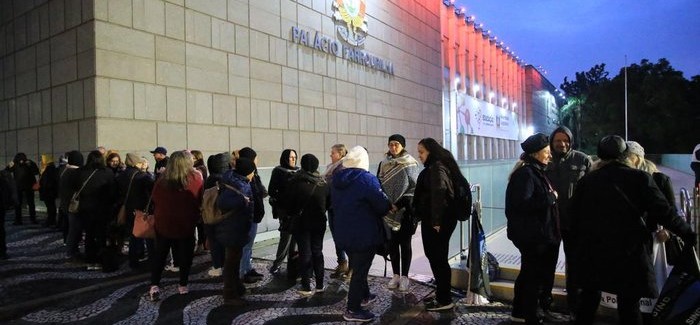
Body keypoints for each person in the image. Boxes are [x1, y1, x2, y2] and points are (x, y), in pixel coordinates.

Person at [570, 135, 697, 325]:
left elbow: (574, 216)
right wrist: (689, 233)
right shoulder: (639, 178)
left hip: (594, 250)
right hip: (628, 251)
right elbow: (664, 212)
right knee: (629, 304)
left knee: (588, 299)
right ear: (624, 155)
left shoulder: (587, 181)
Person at [331, 146, 392, 322]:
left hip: (343, 233)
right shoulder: (367, 179)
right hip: (364, 234)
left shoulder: (337, 179)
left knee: (358, 266)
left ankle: (364, 295)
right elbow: (381, 206)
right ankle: (352, 309)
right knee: (360, 271)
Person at [505, 133, 560, 324]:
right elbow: (522, 204)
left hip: (537, 236)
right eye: (546, 152)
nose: (549, 156)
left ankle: (520, 312)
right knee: (533, 277)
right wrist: (551, 198)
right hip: (534, 237)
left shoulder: (532, 171)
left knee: (529, 274)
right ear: (536, 154)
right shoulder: (526, 174)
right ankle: (530, 314)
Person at [545, 126, 591, 320]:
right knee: (546, 265)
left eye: (565, 140)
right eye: (558, 141)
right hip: (550, 224)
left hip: (575, 224)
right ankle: (545, 304)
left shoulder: (583, 160)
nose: (562, 144)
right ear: (552, 141)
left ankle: (574, 306)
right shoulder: (544, 159)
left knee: (575, 266)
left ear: (571, 141)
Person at [413, 138, 463, 312]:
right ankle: (442, 293)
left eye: (421, 152)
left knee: (438, 258)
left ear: (431, 152)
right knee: (436, 257)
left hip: (438, 222)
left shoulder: (437, 168)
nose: (419, 156)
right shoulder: (438, 166)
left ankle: (444, 299)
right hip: (438, 220)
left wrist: (436, 221)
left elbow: (439, 194)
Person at [148, 150, 204, 301]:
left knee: (160, 254)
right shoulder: (195, 179)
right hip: (186, 223)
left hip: (163, 223)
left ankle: (154, 285)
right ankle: (183, 285)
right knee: (185, 255)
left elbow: (154, 199)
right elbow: (199, 199)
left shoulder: (161, 181)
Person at [377, 134, 419, 292]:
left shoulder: (410, 163)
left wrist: (399, 204)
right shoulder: (383, 163)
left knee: (405, 244)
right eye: (391, 145)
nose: (393, 148)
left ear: (402, 146)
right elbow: (378, 184)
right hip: (388, 210)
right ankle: (395, 275)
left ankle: (405, 277)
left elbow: (414, 188)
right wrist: (387, 204)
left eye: (396, 144)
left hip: (405, 212)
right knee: (392, 244)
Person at [283, 154, 329, 296]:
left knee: (305, 253)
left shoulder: (295, 182)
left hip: (301, 223)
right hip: (319, 222)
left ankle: (306, 286)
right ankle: (320, 284)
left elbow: (288, 205)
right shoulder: (323, 183)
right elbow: (329, 203)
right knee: (317, 252)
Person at [215, 157, 256, 306]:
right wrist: (242, 202)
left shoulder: (232, 179)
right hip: (234, 229)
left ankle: (236, 287)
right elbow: (224, 202)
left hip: (234, 228)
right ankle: (230, 294)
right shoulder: (241, 186)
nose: (253, 175)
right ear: (248, 172)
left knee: (233, 261)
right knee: (231, 263)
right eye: (252, 172)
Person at [70, 150, 118, 271]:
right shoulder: (107, 172)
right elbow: (113, 192)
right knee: (101, 235)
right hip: (102, 209)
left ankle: (90, 259)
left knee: (89, 234)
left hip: (85, 208)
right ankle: (100, 259)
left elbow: (74, 188)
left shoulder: (80, 172)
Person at [117, 153, 155, 269]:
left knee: (133, 235)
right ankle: (151, 260)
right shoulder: (142, 176)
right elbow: (152, 192)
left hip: (126, 208)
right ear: (136, 163)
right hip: (141, 209)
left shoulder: (120, 175)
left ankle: (133, 260)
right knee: (147, 234)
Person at [237, 147, 268, 283]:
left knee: (249, 246)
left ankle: (247, 268)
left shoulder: (253, 174)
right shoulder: (244, 176)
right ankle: (242, 273)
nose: (257, 160)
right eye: (255, 158)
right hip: (248, 217)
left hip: (254, 215)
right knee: (245, 246)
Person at [268, 149, 300, 274]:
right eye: (291, 157)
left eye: (295, 157)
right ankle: (277, 263)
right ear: (285, 158)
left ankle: (292, 264)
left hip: (297, 210)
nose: (293, 159)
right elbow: (272, 190)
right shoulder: (278, 171)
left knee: (295, 240)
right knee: (286, 237)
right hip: (285, 210)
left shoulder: (298, 171)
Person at [324, 144, 350, 279]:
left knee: (344, 236)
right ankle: (342, 263)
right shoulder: (331, 168)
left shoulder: (344, 168)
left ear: (340, 154)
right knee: (336, 237)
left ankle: (351, 267)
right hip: (331, 206)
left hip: (340, 207)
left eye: (333, 153)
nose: (330, 155)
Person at [204, 152, 232, 277]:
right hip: (225, 216)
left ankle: (217, 266)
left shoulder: (211, 179)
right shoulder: (227, 179)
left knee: (214, 242)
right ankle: (226, 265)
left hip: (211, 216)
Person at [60, 150, 84, 261]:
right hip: (74, 206)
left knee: (72, 229)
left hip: (65, 204)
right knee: (74, 230)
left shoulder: (65, 171)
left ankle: (72, 250)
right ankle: (71, 252)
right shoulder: (76, 172)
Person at [6, 153, 40, 225]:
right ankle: (32, 219)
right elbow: (36, 172)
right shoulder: (29, 162)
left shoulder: (14, 163)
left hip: (19, 187)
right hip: (28, 186)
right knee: (31, 203)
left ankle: (18, 220)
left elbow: (6, 170)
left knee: (18, 204)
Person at [191, 149, 208, 255]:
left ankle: (202, 244)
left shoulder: (200, 169)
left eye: (193, 158)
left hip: (199, 199)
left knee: (200, 224)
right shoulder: (197, 168)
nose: (191, 160)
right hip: (196, 199)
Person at [39, 154, 60, 227]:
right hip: (49, 191)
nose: (41, 161)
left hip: (48, 192)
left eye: (42, 159)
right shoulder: (49, 168)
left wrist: (45, 188)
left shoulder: (49, 169)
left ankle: (51, 221)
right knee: (50, 207)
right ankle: (51, 220)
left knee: (50, 207)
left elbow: (48, 181)